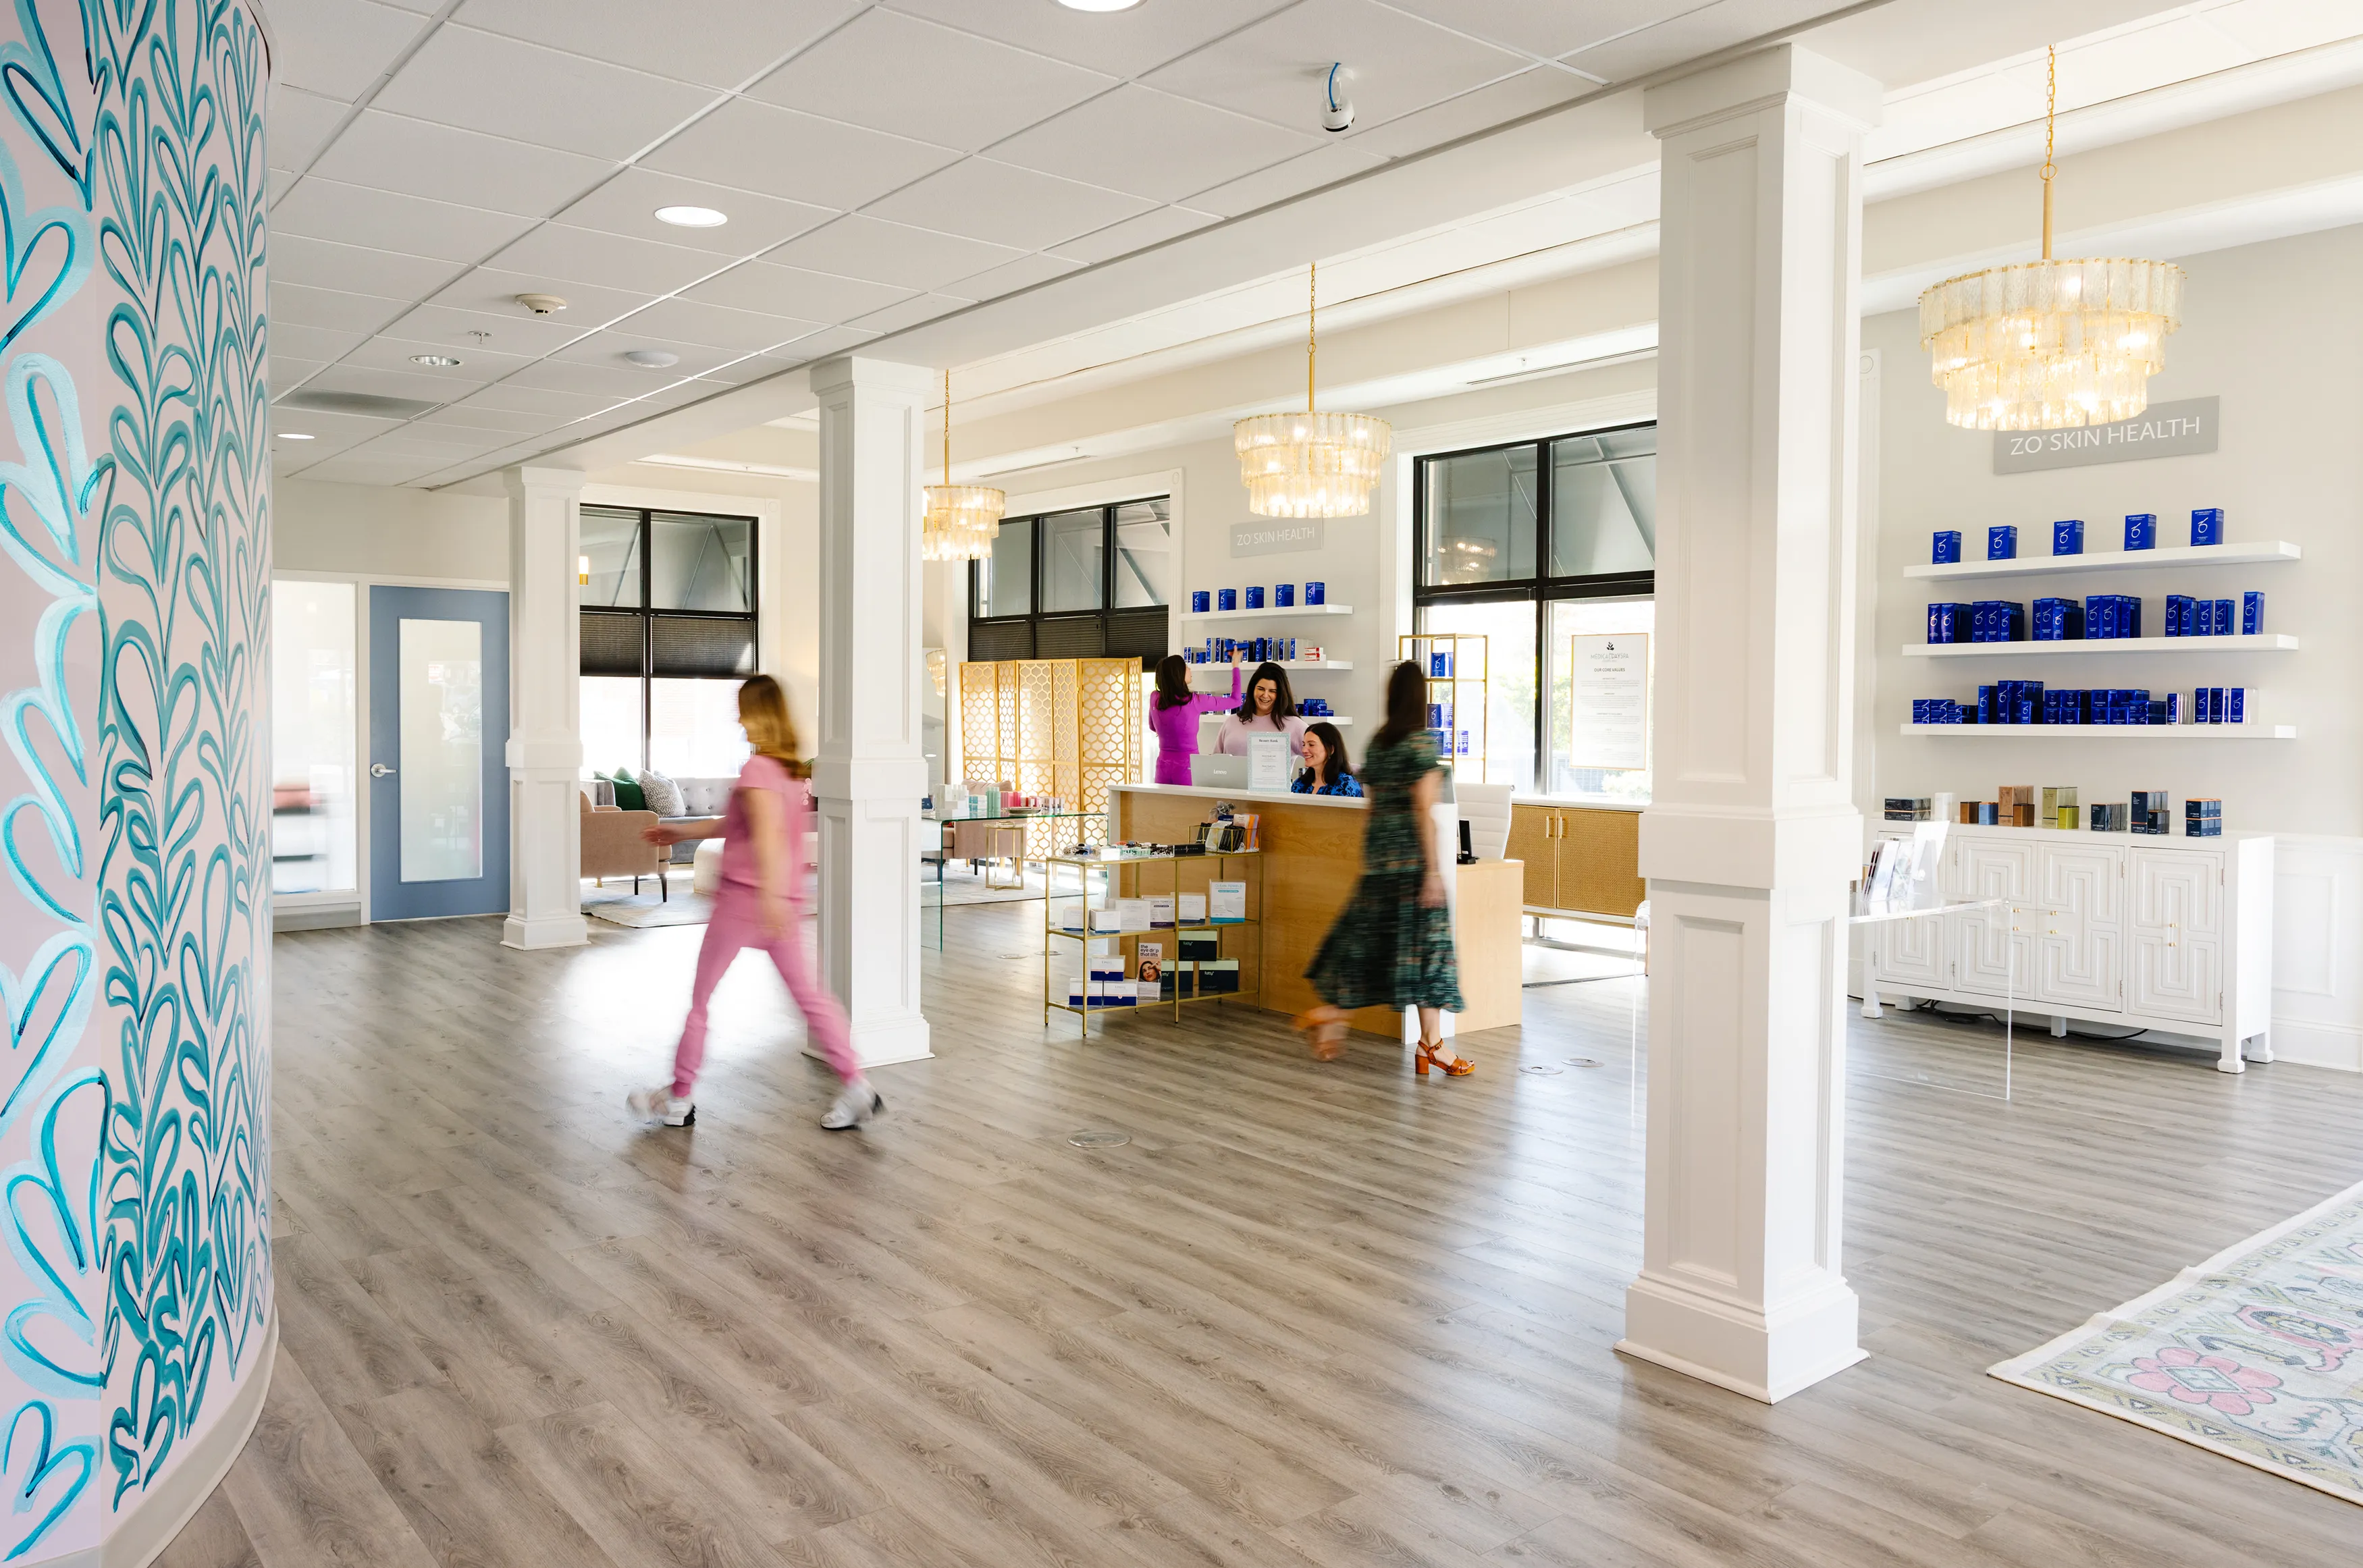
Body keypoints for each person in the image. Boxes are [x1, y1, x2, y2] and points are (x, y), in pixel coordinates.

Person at [628, 674, 882, 1131]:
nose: (740, 720)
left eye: (744, 711)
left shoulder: (757, 769)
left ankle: (679, 1097)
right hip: (782, 900)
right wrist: (679, 831)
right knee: (812, 999)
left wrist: (767, 897)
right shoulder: (788, 772)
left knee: (701, 1000)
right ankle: (856, 1085)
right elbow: (738, 824)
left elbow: (764, 835)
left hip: (745, 902)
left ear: (760, 714)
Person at [1296, 661, 1469, 1074]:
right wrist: (1433, 871)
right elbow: (1423, 810)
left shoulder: (1378, 743)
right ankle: (1432, 1045)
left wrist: (1373, 861)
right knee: (1429, 953)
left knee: (1367, 946)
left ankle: (1340, 1017)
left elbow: (1372, 807)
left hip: (1379, 862)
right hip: (1412, 864)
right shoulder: (1420, 744)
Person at [1148, 655, 1241, 786]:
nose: (1189, 669)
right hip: (1188, 768)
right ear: (1178, 674)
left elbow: (1152, 726)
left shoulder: (1155, 698)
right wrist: (1235, 667)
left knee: (1163, 800)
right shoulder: (1196, 701)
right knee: (1189, 800)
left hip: (1163, 768)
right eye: (1186, 667)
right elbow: (1236, 701)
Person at [1214, 660, 1307, 761]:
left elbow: (1319, 757)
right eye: (1261, 689)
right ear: (1253, 689)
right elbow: (1215, 762)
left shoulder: (1294, 725)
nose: (1265, 695)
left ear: (1281, 694)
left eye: (1272, 691)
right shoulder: (1231, 722)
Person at [1290, 721, 1362, 797]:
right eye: (1304, 745)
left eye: (1311, 745)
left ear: (1331, 749)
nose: (1304, 750)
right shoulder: (1300, 784)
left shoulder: (1345, 785)